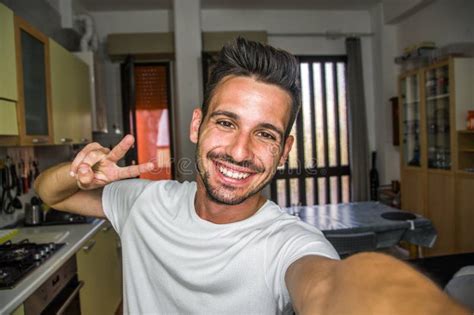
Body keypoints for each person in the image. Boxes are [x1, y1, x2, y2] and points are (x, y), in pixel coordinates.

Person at [35, 38, 469, 315]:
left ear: (284, 152)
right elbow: (49, 193)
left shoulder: (290, 244)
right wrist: (78, 173)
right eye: (226, 123)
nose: (240, 152)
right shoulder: (145, 202)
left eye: (264, 134)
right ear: (196, 126)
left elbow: (328, 287)